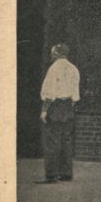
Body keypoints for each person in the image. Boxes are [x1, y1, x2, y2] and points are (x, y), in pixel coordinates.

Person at [37, 43, 80, 183]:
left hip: (55, 106)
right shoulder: (73, 68)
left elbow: (49, 92)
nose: (51, 55)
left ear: (56, 54)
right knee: (66, 140)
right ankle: (66, 173)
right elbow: (75, 95)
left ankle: (51, 175)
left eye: (52, 53)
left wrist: (44, 110)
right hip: (68, 106)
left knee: (52, 141)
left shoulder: (54, 68)